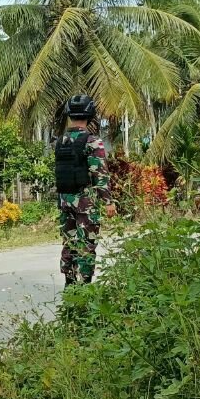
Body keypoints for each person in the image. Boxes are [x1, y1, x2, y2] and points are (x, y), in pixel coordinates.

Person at [54, 94, 117, 285]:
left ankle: (70, 284)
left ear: (69, 113)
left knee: (69, 243)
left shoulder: (60, 141)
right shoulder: (92, 141)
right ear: (90, 113)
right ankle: (85, 287)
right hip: (85, 203)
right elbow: (100, 174)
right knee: (86, 245)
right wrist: (108, 202)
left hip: (65, 202)